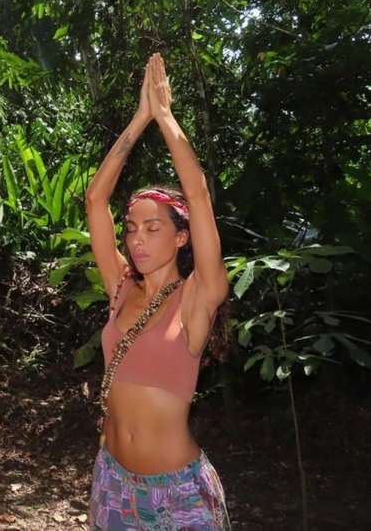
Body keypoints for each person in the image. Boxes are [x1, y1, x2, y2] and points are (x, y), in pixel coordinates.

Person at [85, 53, 230, 530]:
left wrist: (165, 118)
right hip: (111, 482)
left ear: (181, 236)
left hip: (178, 494)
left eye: (153, 228)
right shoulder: (121, 286)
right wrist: (138, 118)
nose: (138, 240)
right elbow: (95, 198)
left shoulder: (197, 295)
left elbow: (199, 196)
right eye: (131, 230)